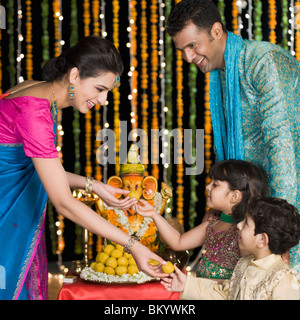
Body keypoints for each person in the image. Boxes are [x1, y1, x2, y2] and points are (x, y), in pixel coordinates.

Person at [0, 36, 167, 300]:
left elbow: (38, 168)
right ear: (75, 75)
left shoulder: (35, 90)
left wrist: (94, 186)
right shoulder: (35, 113)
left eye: (108, 92)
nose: (103, 100)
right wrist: (133, 245)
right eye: (99, 89)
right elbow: (64, 203)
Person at [166, 0, 300, 271]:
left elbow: (282, 147)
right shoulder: (222, 74)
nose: (188, 57)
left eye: (193, 46)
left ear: (216, 31)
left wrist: (280, 234)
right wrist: (222, 210)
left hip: (284, 211)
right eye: (182, 50)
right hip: (252, 215)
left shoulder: (263, 62)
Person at [134, 159, 266, 281]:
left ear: (235, 196)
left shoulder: (246, 233)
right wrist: (154, 214)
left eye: (215, 184)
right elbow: (178, 242)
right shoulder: (212, 224)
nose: (208, 187)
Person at [161, 196, 300, 300]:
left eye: (246, 223)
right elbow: (226, 295)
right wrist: (187, 284)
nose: (238, 225)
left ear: (262, 240)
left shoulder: (284, 280)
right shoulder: (244, 263)